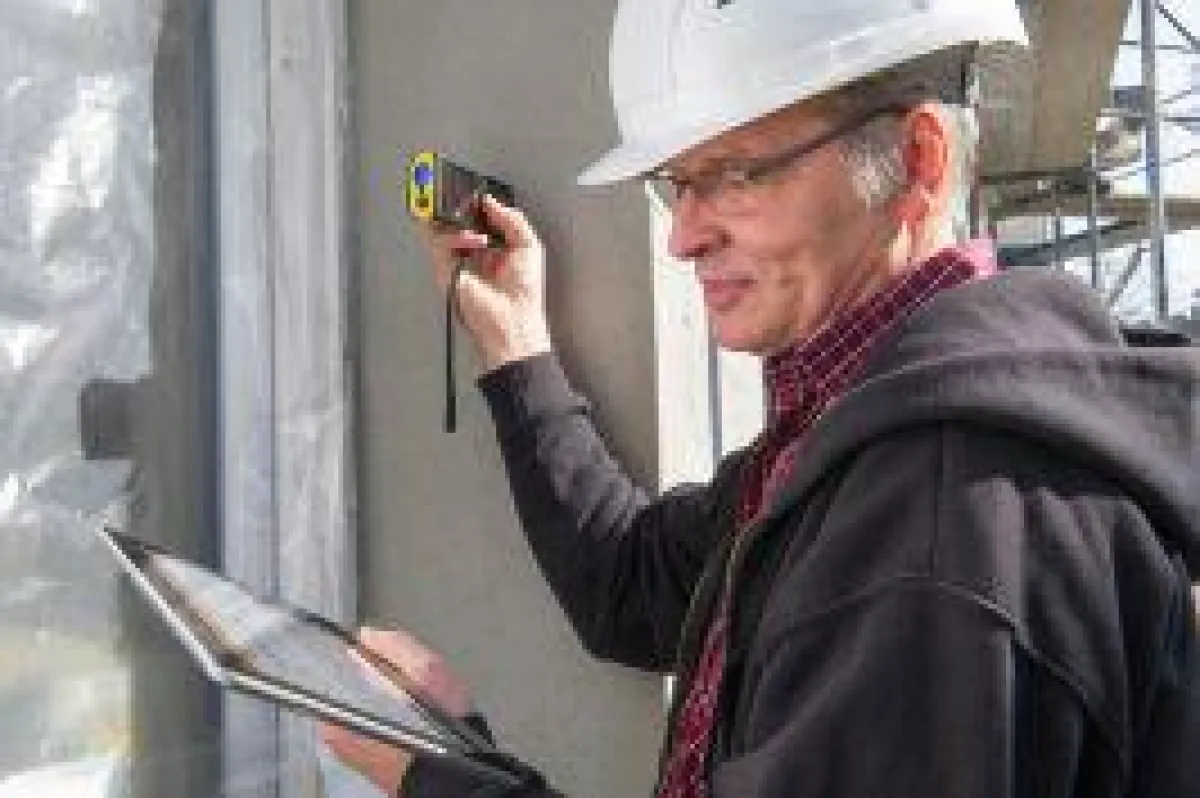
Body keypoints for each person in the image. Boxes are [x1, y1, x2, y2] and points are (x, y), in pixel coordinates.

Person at [324, 1, 1200, 796]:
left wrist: (442, 781)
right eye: (678, 181)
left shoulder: (943, 514)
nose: (683, 235)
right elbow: (632, 585)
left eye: (737, 173)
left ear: (917, 160)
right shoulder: (854, 430)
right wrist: (514, 345)